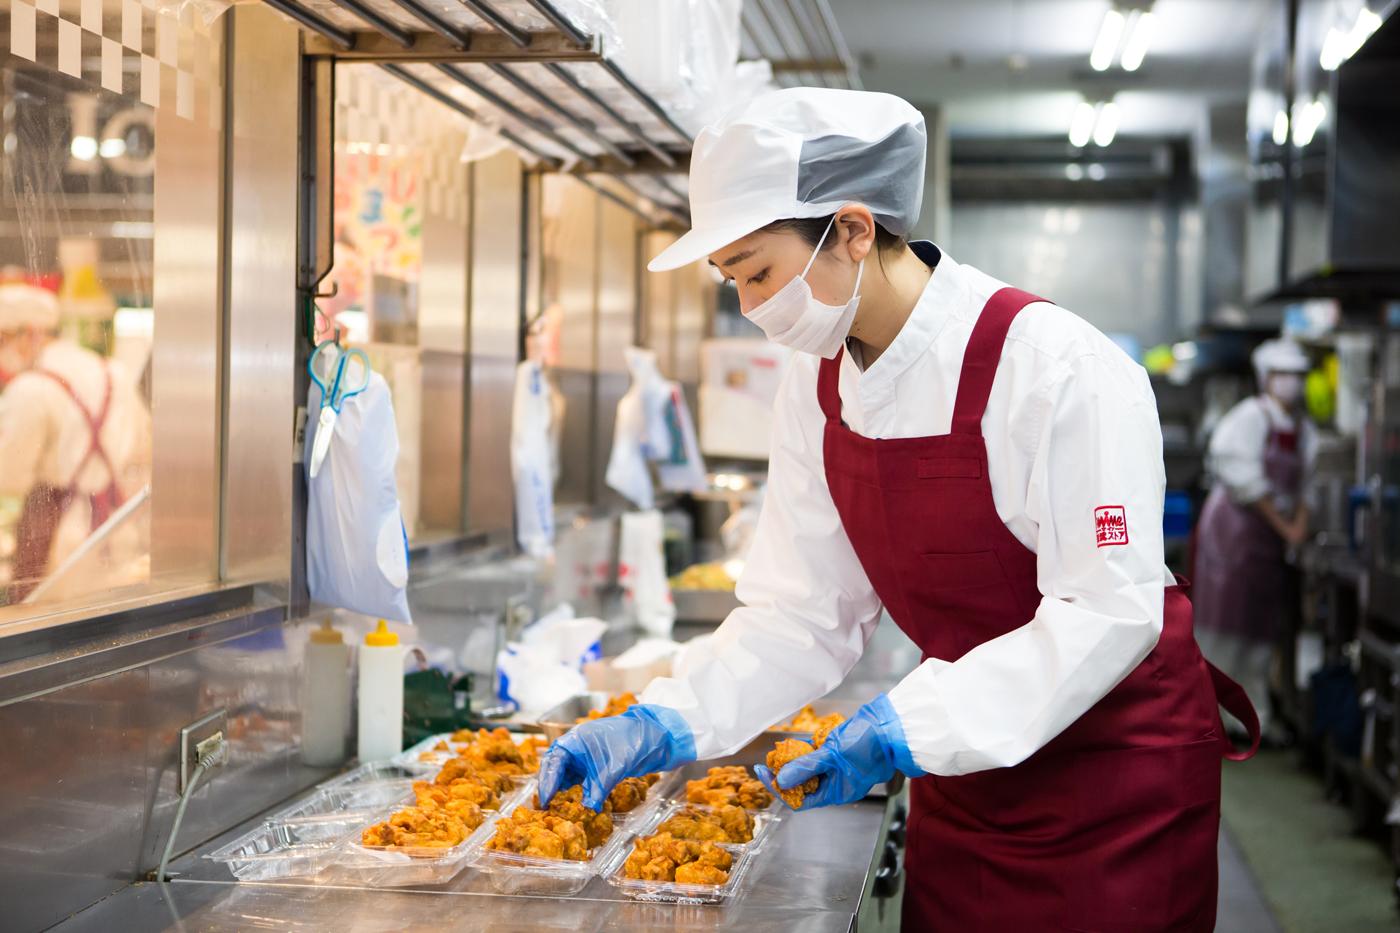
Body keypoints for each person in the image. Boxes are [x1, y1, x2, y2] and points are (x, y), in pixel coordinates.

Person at [538, 87, 1257, 931]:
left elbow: (1106, 609)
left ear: (851, 228)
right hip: (963, 772)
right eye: (732, 280)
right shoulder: (818, 385)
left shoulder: (1058, 368)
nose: (751, 307)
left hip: (1112, 781)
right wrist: (669, 714)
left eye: (760, 271)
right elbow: (802, 615)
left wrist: (907, 723)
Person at [0, 282, 151, 604]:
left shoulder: (30, 389)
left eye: (2, 340)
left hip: (58, 546)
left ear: (30, 335)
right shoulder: (115, 374)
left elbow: (8, 476)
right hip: (117, 532)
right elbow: (143, 452)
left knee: (59, 639)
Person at [1194, 338, 1314, 738]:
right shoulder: (1250, 417)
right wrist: (1288, 528)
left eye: (1298, 376)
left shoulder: (1303, 428)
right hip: (1234, 534)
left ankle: (1252, 714)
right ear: (1267, 379)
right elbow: (1243, 478)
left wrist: (1297, 524)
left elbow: (1311, 481)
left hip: (1267, 539)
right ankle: (1209, 715)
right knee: (1224, 624)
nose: (1292, 384)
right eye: (1284, 375)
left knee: (1260, 628)